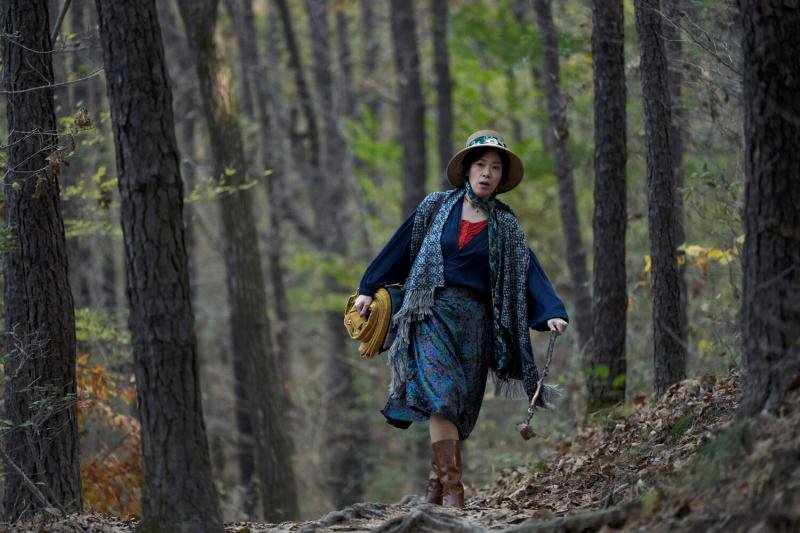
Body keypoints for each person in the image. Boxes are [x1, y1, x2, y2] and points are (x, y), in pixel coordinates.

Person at [354, 130, 569, 508]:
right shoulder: (435, 207)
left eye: (495, 167)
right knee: (442, 397)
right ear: (467, 169)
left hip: (476, 324)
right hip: (431, 313)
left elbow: (529, 271)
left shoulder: (506, 225)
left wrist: (551, 311)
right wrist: (368, 288)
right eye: (481, 165)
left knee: (459, 405)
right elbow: (398, 247)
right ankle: (455, 491)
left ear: (501, 177)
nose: (487, 173)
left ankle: (435, 486)